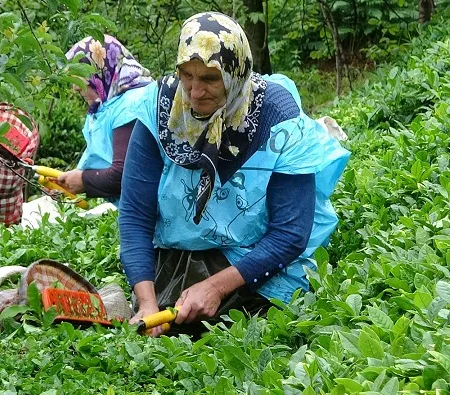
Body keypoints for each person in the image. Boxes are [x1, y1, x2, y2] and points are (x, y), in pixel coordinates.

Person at [118, 12, 350, 336]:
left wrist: (214, 287)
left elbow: (290, 233)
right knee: (168, 317)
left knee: (240, 323)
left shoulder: (277, 117)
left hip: (257, 254)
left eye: (210, 79)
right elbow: (134, 214)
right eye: (187, 75)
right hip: (182, 249)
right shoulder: (161, 107)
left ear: (235, 74)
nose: (194, 92)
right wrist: (146, 302)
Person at [53, 35, 153, 200]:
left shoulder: (131, 105)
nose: (75, 88)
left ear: (99, 72)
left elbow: (125, 175)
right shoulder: (110, 105)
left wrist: (83, 181)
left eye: (79, 79)